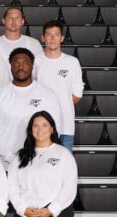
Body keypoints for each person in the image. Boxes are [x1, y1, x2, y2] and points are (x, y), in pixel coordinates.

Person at [0, 48, 62, 169]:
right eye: (16, 63)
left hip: (40, 163)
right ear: (10, 66)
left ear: (32, 66)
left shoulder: (48, 95)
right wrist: (10, 158)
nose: (20, 67)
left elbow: (55, 128)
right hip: (7, 164)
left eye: (25, 63)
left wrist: (39, 157)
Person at [34, 20, 84, 153]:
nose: (52, 38)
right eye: (49, 35)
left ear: (62, 38)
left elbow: (78, 94)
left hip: (65, 125)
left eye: (56, 35)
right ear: (43, 38)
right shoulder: (36, 61)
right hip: (40, 127)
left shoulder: (72, 62)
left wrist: (60, 105)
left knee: (64, 168)